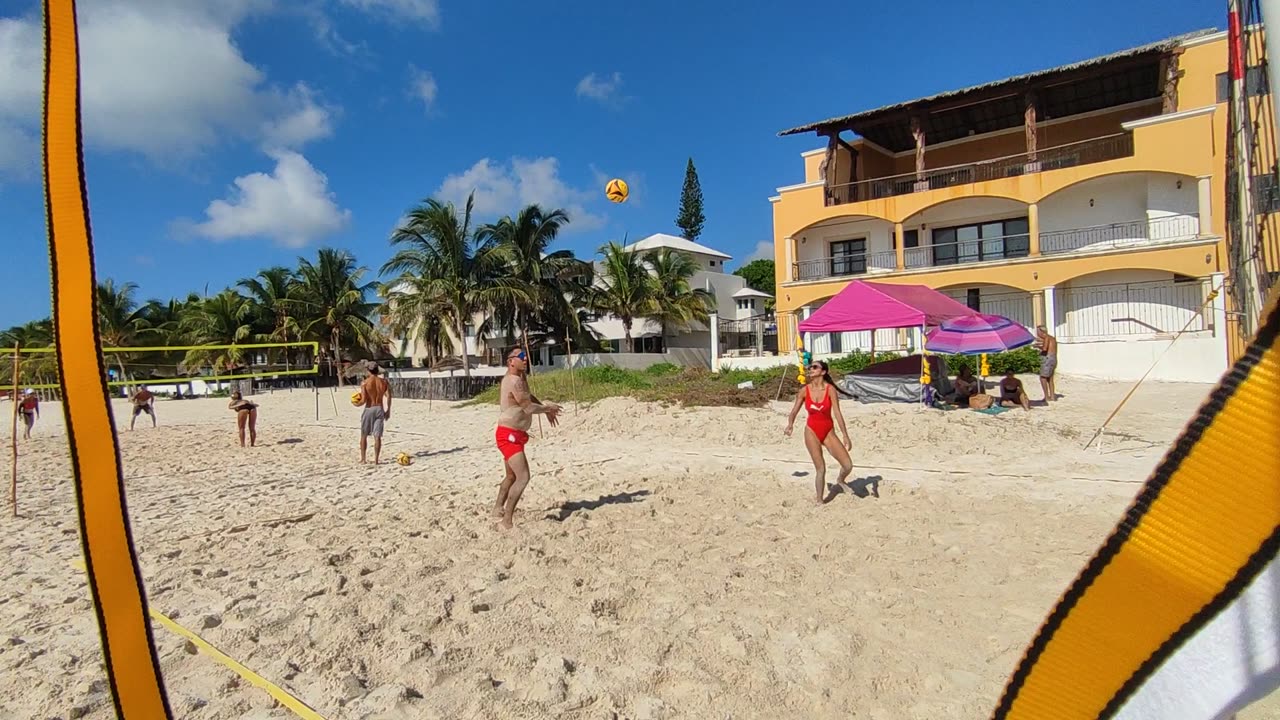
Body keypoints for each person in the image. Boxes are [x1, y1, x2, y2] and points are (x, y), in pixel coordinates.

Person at [493, 347, 561, 530]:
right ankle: (506, 521)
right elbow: (527, 407)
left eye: (526, 356)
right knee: (523, 477)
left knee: (511, 475)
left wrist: (544, 408)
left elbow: (527, 397)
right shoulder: (513, 381)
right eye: (521, 357)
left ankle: (498, 507)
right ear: (510, 361)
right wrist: (547, 408)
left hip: (515, 434)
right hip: (508, 435)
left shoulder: (520, 379)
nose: (525, 359)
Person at [784, 360, 855, 505]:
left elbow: (837, 413)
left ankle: (840, 480)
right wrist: (790, 425)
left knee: (848, 465)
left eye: (815, 367)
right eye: (810, 367)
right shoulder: (805, 390)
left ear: (823, 372)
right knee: (820, 467)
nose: (811, 369)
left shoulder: (830, 390)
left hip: (828, 431)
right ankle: (819, 500)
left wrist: (845, 435)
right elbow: (794, 410)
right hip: (811, 430)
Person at [359, 364, 392, 464]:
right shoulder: (384, 382)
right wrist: (388, 410)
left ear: (368, 371)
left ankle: (363, 459)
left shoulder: (365, 383)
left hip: (369, 408)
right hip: (379, 408)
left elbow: (363, 400)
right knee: (377, 436)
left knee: (364, 435)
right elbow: (389, 396)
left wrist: (356, 403)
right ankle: (376, 460)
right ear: (377, 370)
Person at [1035, 325, 1058, 403]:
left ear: (1042, 332)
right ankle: (1052, 396)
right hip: (1053, 358)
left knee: (1043, 378)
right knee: (1050, 378)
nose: (1037, 333)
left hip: (1047, 359)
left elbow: (1045, 349)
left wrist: (1037, 347)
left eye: (1038, 331)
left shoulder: (1046, 338)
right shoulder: (1052, 338)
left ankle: (1046, 397)